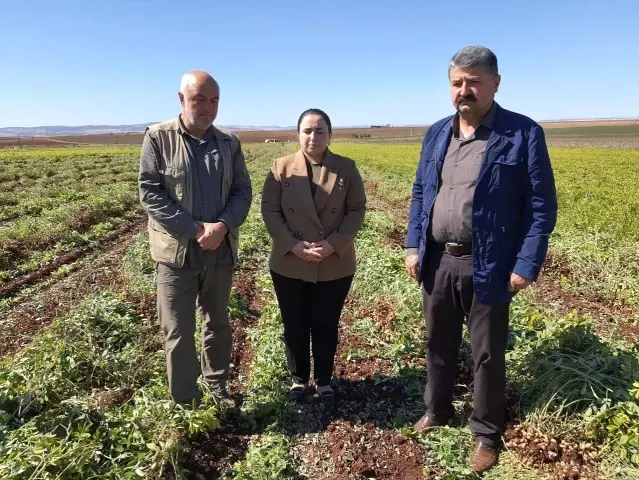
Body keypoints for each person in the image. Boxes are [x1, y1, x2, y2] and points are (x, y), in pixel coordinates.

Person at [405, 46, 557, 473]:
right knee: (437, 343)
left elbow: (541, 206)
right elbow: (421, 193)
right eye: (457, 83)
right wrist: (413, 245)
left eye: (474, 82)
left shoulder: (522, 134)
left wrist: (526, 263)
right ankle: (436, 411)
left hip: (488, 263)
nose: (464, 91)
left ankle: (486, 432)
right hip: (438, 260)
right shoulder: (437, 132)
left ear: (495, 83)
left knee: (486, 353)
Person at [138, 71, 252, 406]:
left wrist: (223, 226)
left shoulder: (229, 143)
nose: (207, 107)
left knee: (217, 323)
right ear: (181, 99)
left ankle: (217, 389)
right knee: (178, 330)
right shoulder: (158, 138)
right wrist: (196, 229)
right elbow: (150, 193)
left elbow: (242, 191)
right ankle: (186, 401)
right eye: (199, 98)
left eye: (214, 100)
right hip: (177, 253)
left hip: (219, 251)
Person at [261, 108, 366, 406]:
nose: (313, 136)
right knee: (293, 323)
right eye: (307, 130)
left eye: (320, 131)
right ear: (298, 135)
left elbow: (357, 209)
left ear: (330, 135)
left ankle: (323, 381)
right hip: (290, 261)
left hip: (334, 262)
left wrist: (333, 244)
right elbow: (270, 209)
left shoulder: (346, 168)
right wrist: (292, 245)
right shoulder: (280, 168)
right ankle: (298, 380)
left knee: (325, 323)